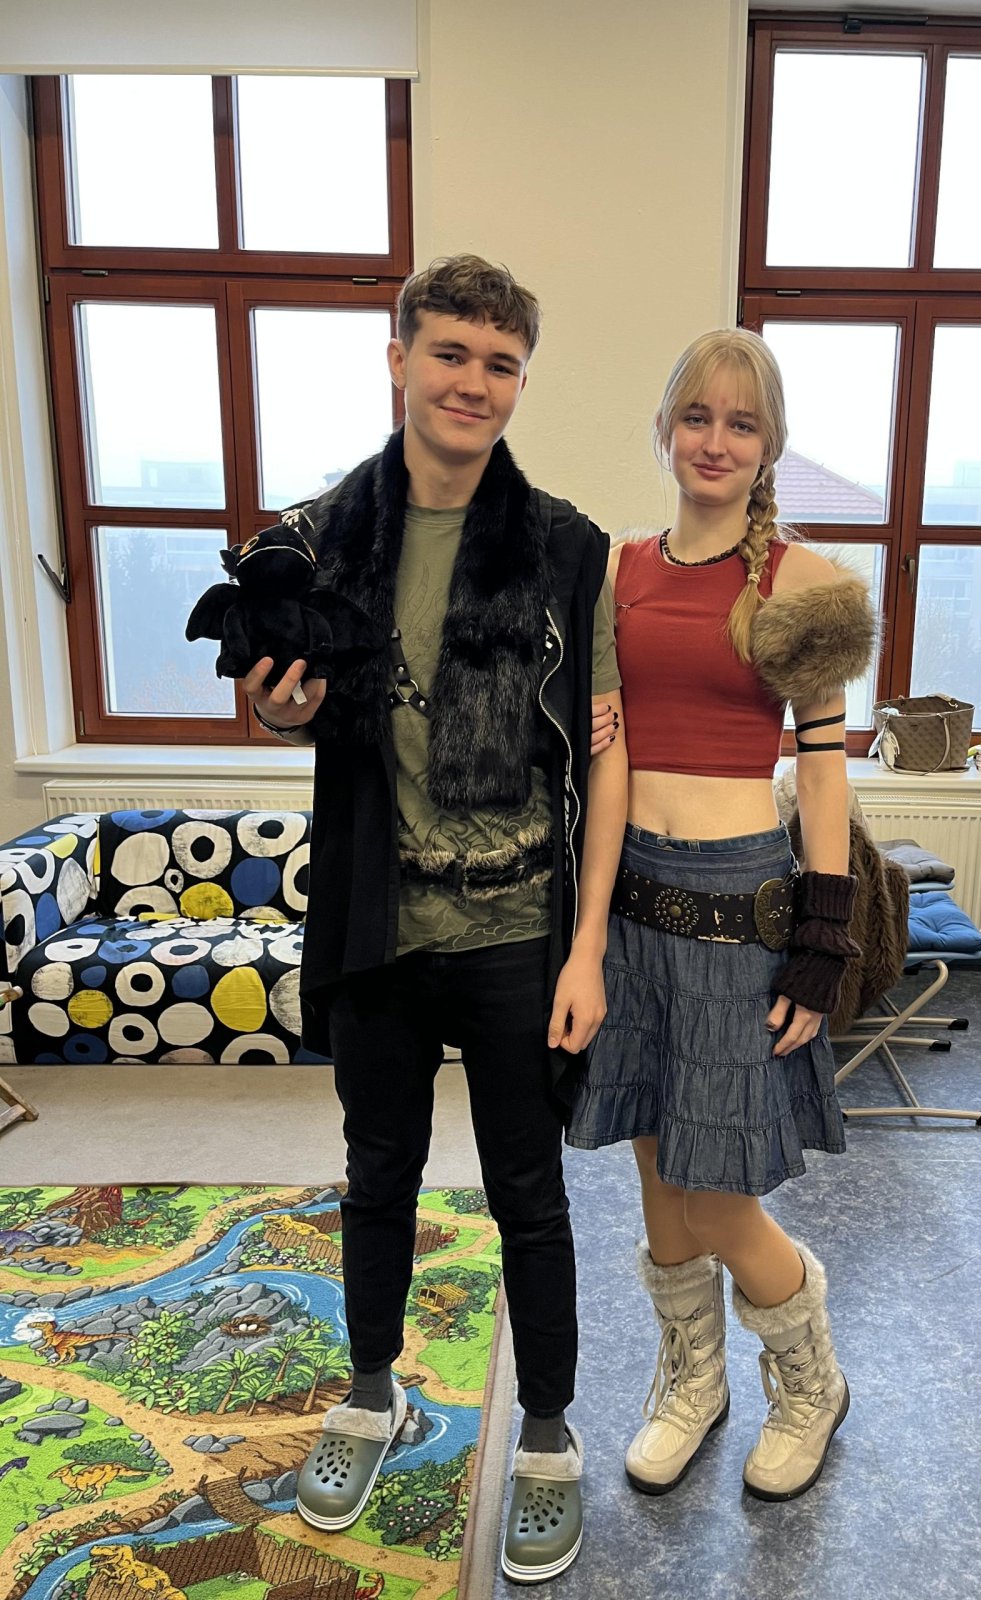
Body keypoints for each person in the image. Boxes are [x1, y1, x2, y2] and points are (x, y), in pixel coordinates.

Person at [242, 255, 627, 1585]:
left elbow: (607, 758)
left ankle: (550, 1431)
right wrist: (275, 709)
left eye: (501, 363)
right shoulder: (318, 540)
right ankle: (371, 1392)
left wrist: (588, 947)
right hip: (376, 921)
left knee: (530, 1192)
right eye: (451, 352)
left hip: (519, 930)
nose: (475, 382)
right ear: (399, 357)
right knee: (378, 1176)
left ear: (522, 382)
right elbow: (276, 696)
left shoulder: (568, 550)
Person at [568, 329, 876, 1502]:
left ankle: (811, 1380)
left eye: (741, 423)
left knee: (718, 1189)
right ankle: (692, 1379)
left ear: (769, 445)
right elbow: (597, 742)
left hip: (741, 910)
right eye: (696, 416)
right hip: (631, 901)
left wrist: (824, 939)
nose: (715, 440)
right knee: (655, 1161)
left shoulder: (802, 584)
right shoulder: (617, 570)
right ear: (664, 429)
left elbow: (827, 776)